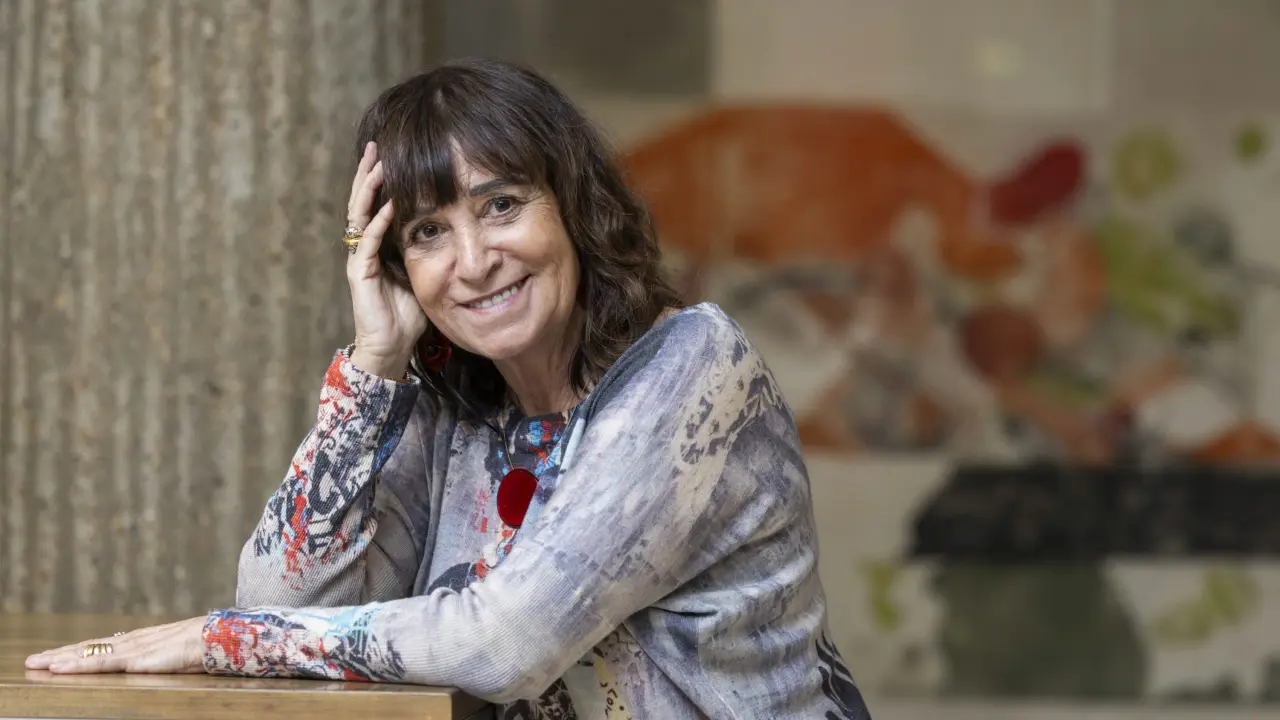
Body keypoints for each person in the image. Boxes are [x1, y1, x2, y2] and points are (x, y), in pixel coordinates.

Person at [27, 58, 871, 719]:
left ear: (573, 206)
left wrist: (225, 641)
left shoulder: (694, 368)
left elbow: (506, 641)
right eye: (429, 232)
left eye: (501, 206)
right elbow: (282, 599)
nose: (472, 262)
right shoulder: (448, 406)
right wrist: (374, 362)